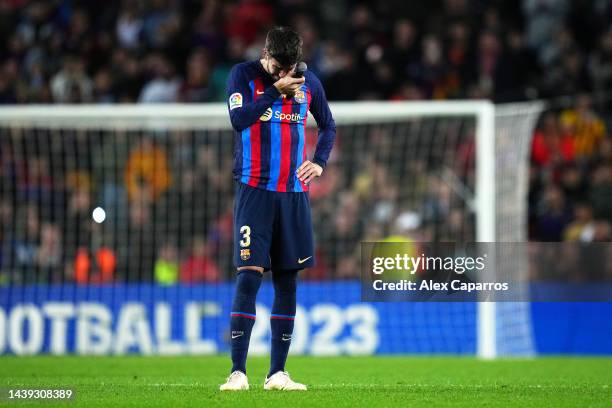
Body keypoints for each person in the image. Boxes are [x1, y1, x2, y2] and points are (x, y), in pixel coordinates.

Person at [220, 27, 335, 391]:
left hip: (293, 194)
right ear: (265, 52)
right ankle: (238, 372)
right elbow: (239, 120)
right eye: (277, 67)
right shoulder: (243, 76)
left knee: (288, 281)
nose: (284, 74)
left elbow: (328, 125)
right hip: (255, 189)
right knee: (249, 275)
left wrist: (319, 162)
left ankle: (277, 374)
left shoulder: (309, 81)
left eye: (289, 69)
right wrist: (273, 92)